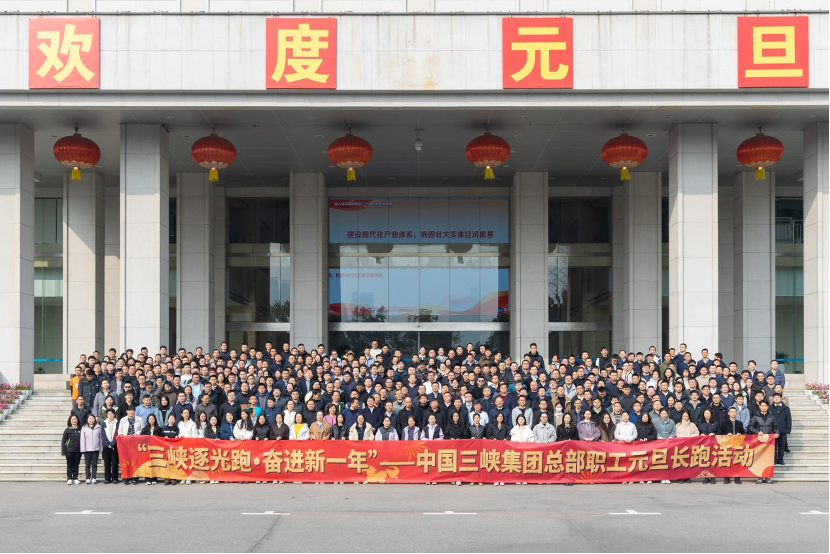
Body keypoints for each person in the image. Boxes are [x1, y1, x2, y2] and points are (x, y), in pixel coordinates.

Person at [748, 400, 779, 484]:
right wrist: (757, 431)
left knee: (768, 460)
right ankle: (760, 478)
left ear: (768, 407)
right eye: (762, 405)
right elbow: (750, 427)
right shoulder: (755, 417)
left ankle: (768, 478)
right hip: (759, 441)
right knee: (759, 459)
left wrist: (777, 433)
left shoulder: (772, 417)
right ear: (759, 406)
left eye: (765, 406)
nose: (764, 407)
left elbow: (776, 427)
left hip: (769, 442)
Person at [770, 392, 792, 467]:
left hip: (782, 430)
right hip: (773, 431)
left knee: (781, 446)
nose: (776, 398)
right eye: (775, 397)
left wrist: (788, 430)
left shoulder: (786, 408)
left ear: (781, 398)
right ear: (773, 399)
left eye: (778, 397)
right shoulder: (770, 408)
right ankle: (774, 460)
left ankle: (780, 460)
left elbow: (788, 419)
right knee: (773, 447)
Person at [80, 414, 102, 485]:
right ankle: (87, 478)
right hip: (87, 450)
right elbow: (82, 439)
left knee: (94, 465)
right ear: (87, 419)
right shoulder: (84, 428)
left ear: (94, 419)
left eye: (92, 418)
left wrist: (100, 448)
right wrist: (83, 449)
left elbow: (100, 438)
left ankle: (94, 478)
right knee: (87, 465)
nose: (91, 420)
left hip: (95, 449)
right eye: (89, 419)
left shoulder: (98, 427)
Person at [61, 415, 82, 486]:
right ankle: (69, 478)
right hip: (69, 450)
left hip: (78, 450)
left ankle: (75, 478)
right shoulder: (67, 430)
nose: (74, 420)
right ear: (70, 421)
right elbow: (63, 441)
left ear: (77, 420)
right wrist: (63, 451)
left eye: (75, 419)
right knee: (69, 465)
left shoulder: (80, 429)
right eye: (72, 419)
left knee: (76, 465)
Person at [100, 409, 119, 484]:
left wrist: (113, 443)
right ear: (107, 415)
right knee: (107, 463)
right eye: (108, 414)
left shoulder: (117, 422)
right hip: (106, 446)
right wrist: (107, 444)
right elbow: (103, 435)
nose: (110, 415)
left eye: (111, 414)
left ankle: (115, 478)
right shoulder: (104, 423)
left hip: (115, 446)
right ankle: (107, 478)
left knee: (115, 463)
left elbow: (117, 434)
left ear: (114, 414)